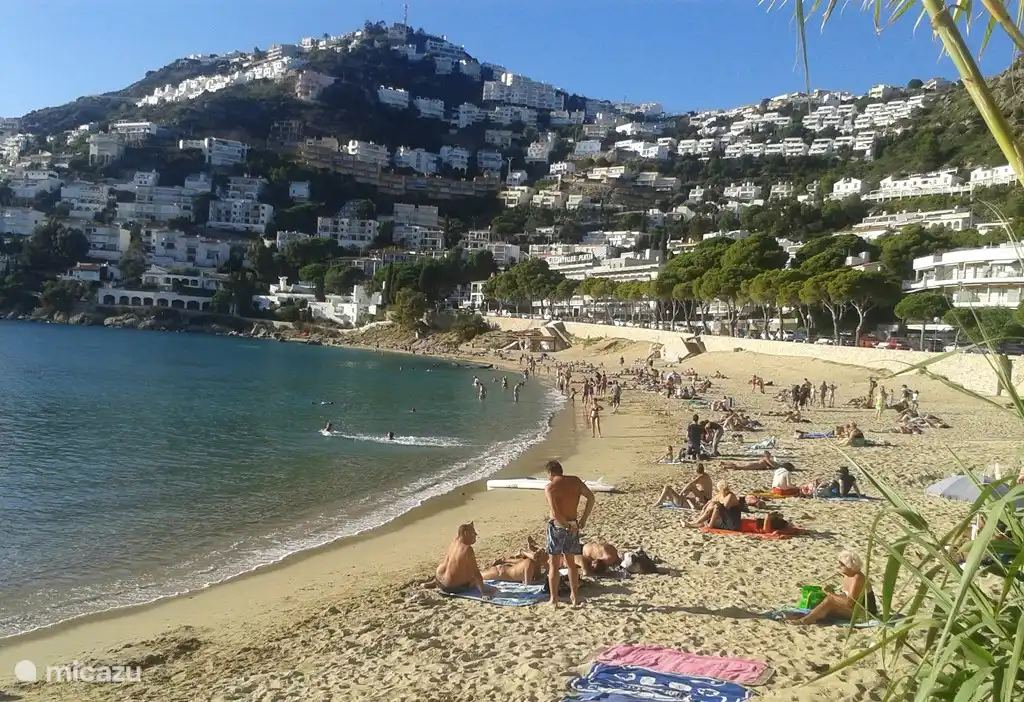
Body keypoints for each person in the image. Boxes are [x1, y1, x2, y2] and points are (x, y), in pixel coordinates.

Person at [544, 460, 595, 607]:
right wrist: (583, 518)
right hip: (573, 524)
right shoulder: (575, 481)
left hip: (558, 526)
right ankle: (574, 597)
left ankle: (554, 599)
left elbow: (555, 512)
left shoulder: (550, 487)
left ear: (551, 473)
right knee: (571, 564)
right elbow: (591, 498)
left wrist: (565, 526)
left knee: (554, 564)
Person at [789, 551, 874, 625]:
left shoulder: (857, 578)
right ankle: (810, 616)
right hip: (854, 608)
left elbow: (849, 602)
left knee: (829, 600)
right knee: (825, 598)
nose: (839, 566)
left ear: (850, 566)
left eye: (842, 564)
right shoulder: (848, 575)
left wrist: (830, 594)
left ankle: (806, 620)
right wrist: (831, 593)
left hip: (864, 613)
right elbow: (845, 596)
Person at [434, 522, 494, 597]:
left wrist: (469, 527)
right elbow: (476, 573)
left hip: (439, 580)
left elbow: (462, 530)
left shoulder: (455, 541)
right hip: (451, 587)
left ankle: (432, 583)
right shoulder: (467, 549)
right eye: (473, 533)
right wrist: (483, 593)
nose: (475, 535)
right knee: (473, 580)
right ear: (466, 533)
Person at [481, 536, 548, 585]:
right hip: (499, 572)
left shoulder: (533, 563)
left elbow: (539, 576)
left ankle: (506, 559)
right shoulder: (529, 564)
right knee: (477, 577)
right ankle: (522, 552)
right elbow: (528, 584)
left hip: (505, 568)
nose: (547, 560)